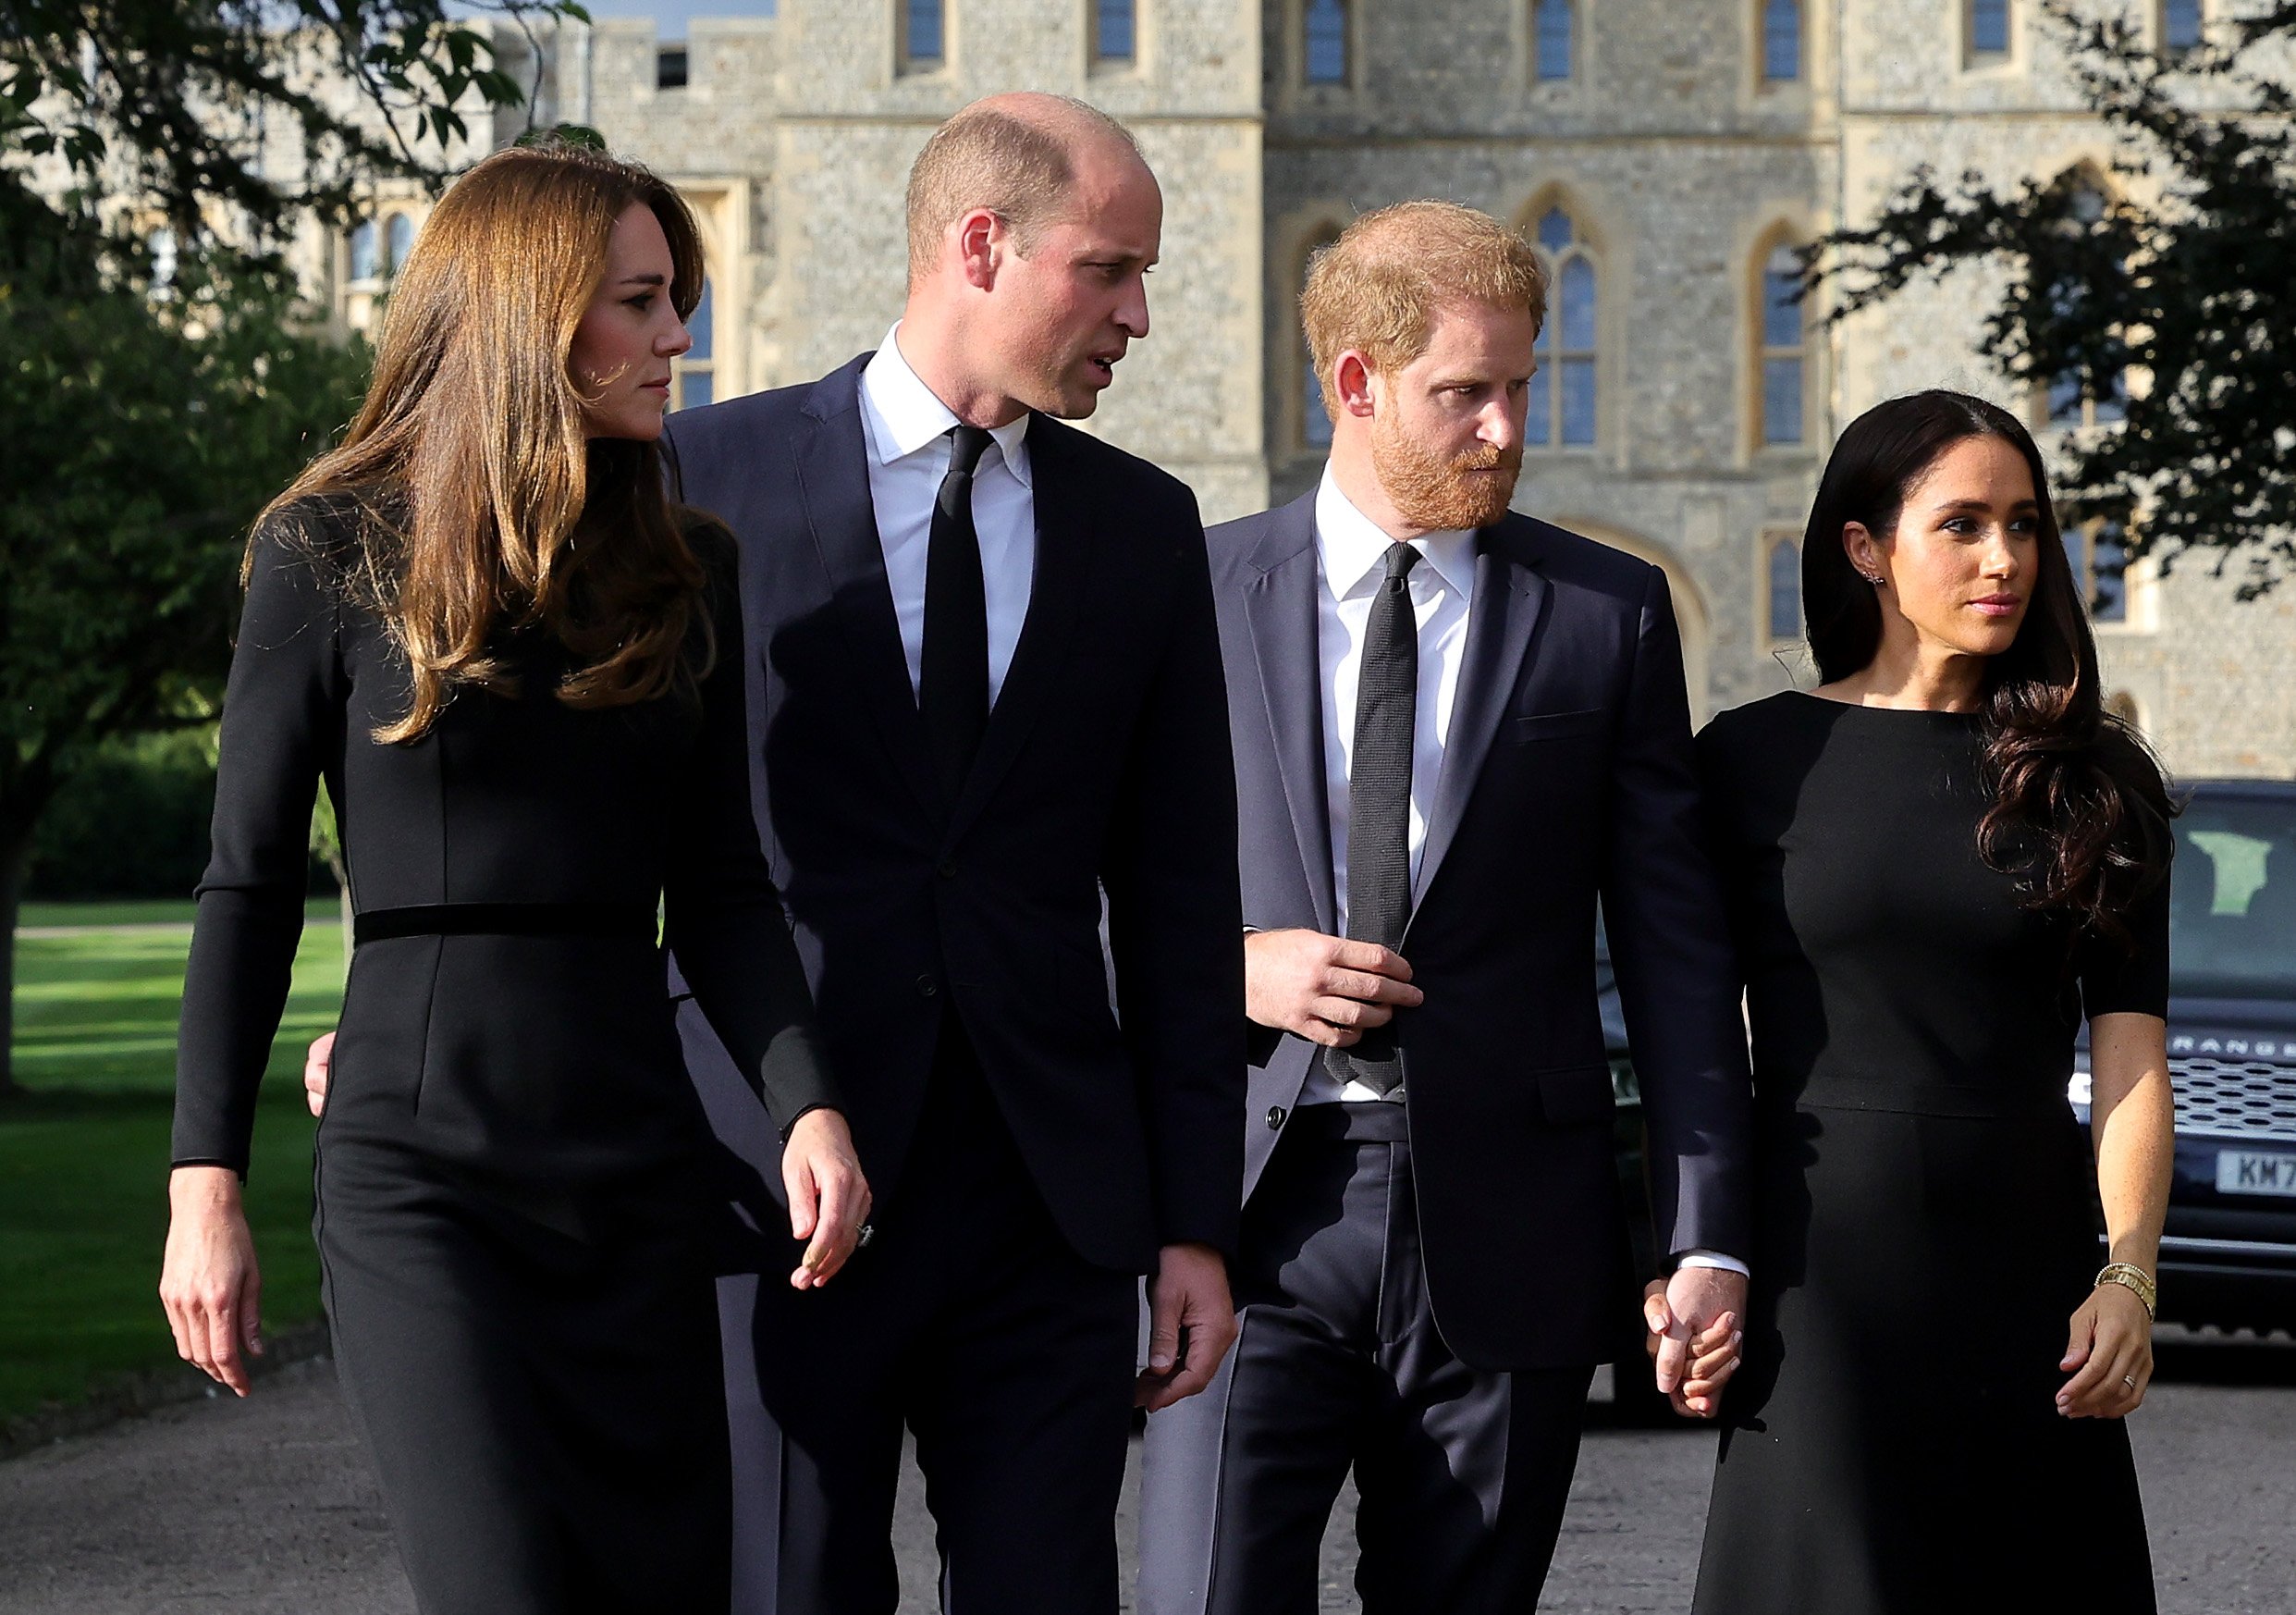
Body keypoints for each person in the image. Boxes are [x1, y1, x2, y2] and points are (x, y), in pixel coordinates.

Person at [161, 142, 869, 1615]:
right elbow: (246, 885)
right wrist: (202, 1180)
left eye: (680, 298)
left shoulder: (691, 568)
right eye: (643, 301)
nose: (683, 337)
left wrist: (805, 1100)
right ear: (527, 315)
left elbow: (724, 885)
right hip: (423, 1180)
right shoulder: (326, 545)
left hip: (638, 1169)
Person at [665, 94, 1243, 1613]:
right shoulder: (697, 476)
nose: (1136, 313)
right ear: (981, 245)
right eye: (1111, 270)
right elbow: (604, 812)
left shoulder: (1145, 525)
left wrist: (1192, 1221)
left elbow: (1183, 901)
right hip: (784, 1182)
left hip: (1050, 1205)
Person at [1136, 200, 1755, 1615]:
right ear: (1355, 382)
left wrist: (1703, 1227)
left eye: (1519, 388)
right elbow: (1073, 887)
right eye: (1461, 393)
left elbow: (1673, 949)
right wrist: (1231, 965)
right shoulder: (1195, 590)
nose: (1503, 429)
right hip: (1248, 1213)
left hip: (1509, 1224)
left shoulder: (1610, 614)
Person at [1688, 389, 2176, 1614]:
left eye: (2025, 523)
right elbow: (1692, 1034)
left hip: (2028, 1275)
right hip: (1817, 1283)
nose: (2005, 558)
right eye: (1962, 523)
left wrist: (2129, 1275)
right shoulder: (1748, 762)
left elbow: (2130, 1058)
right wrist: (1691, 1255)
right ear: (1868, 549)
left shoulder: (2097, 781)